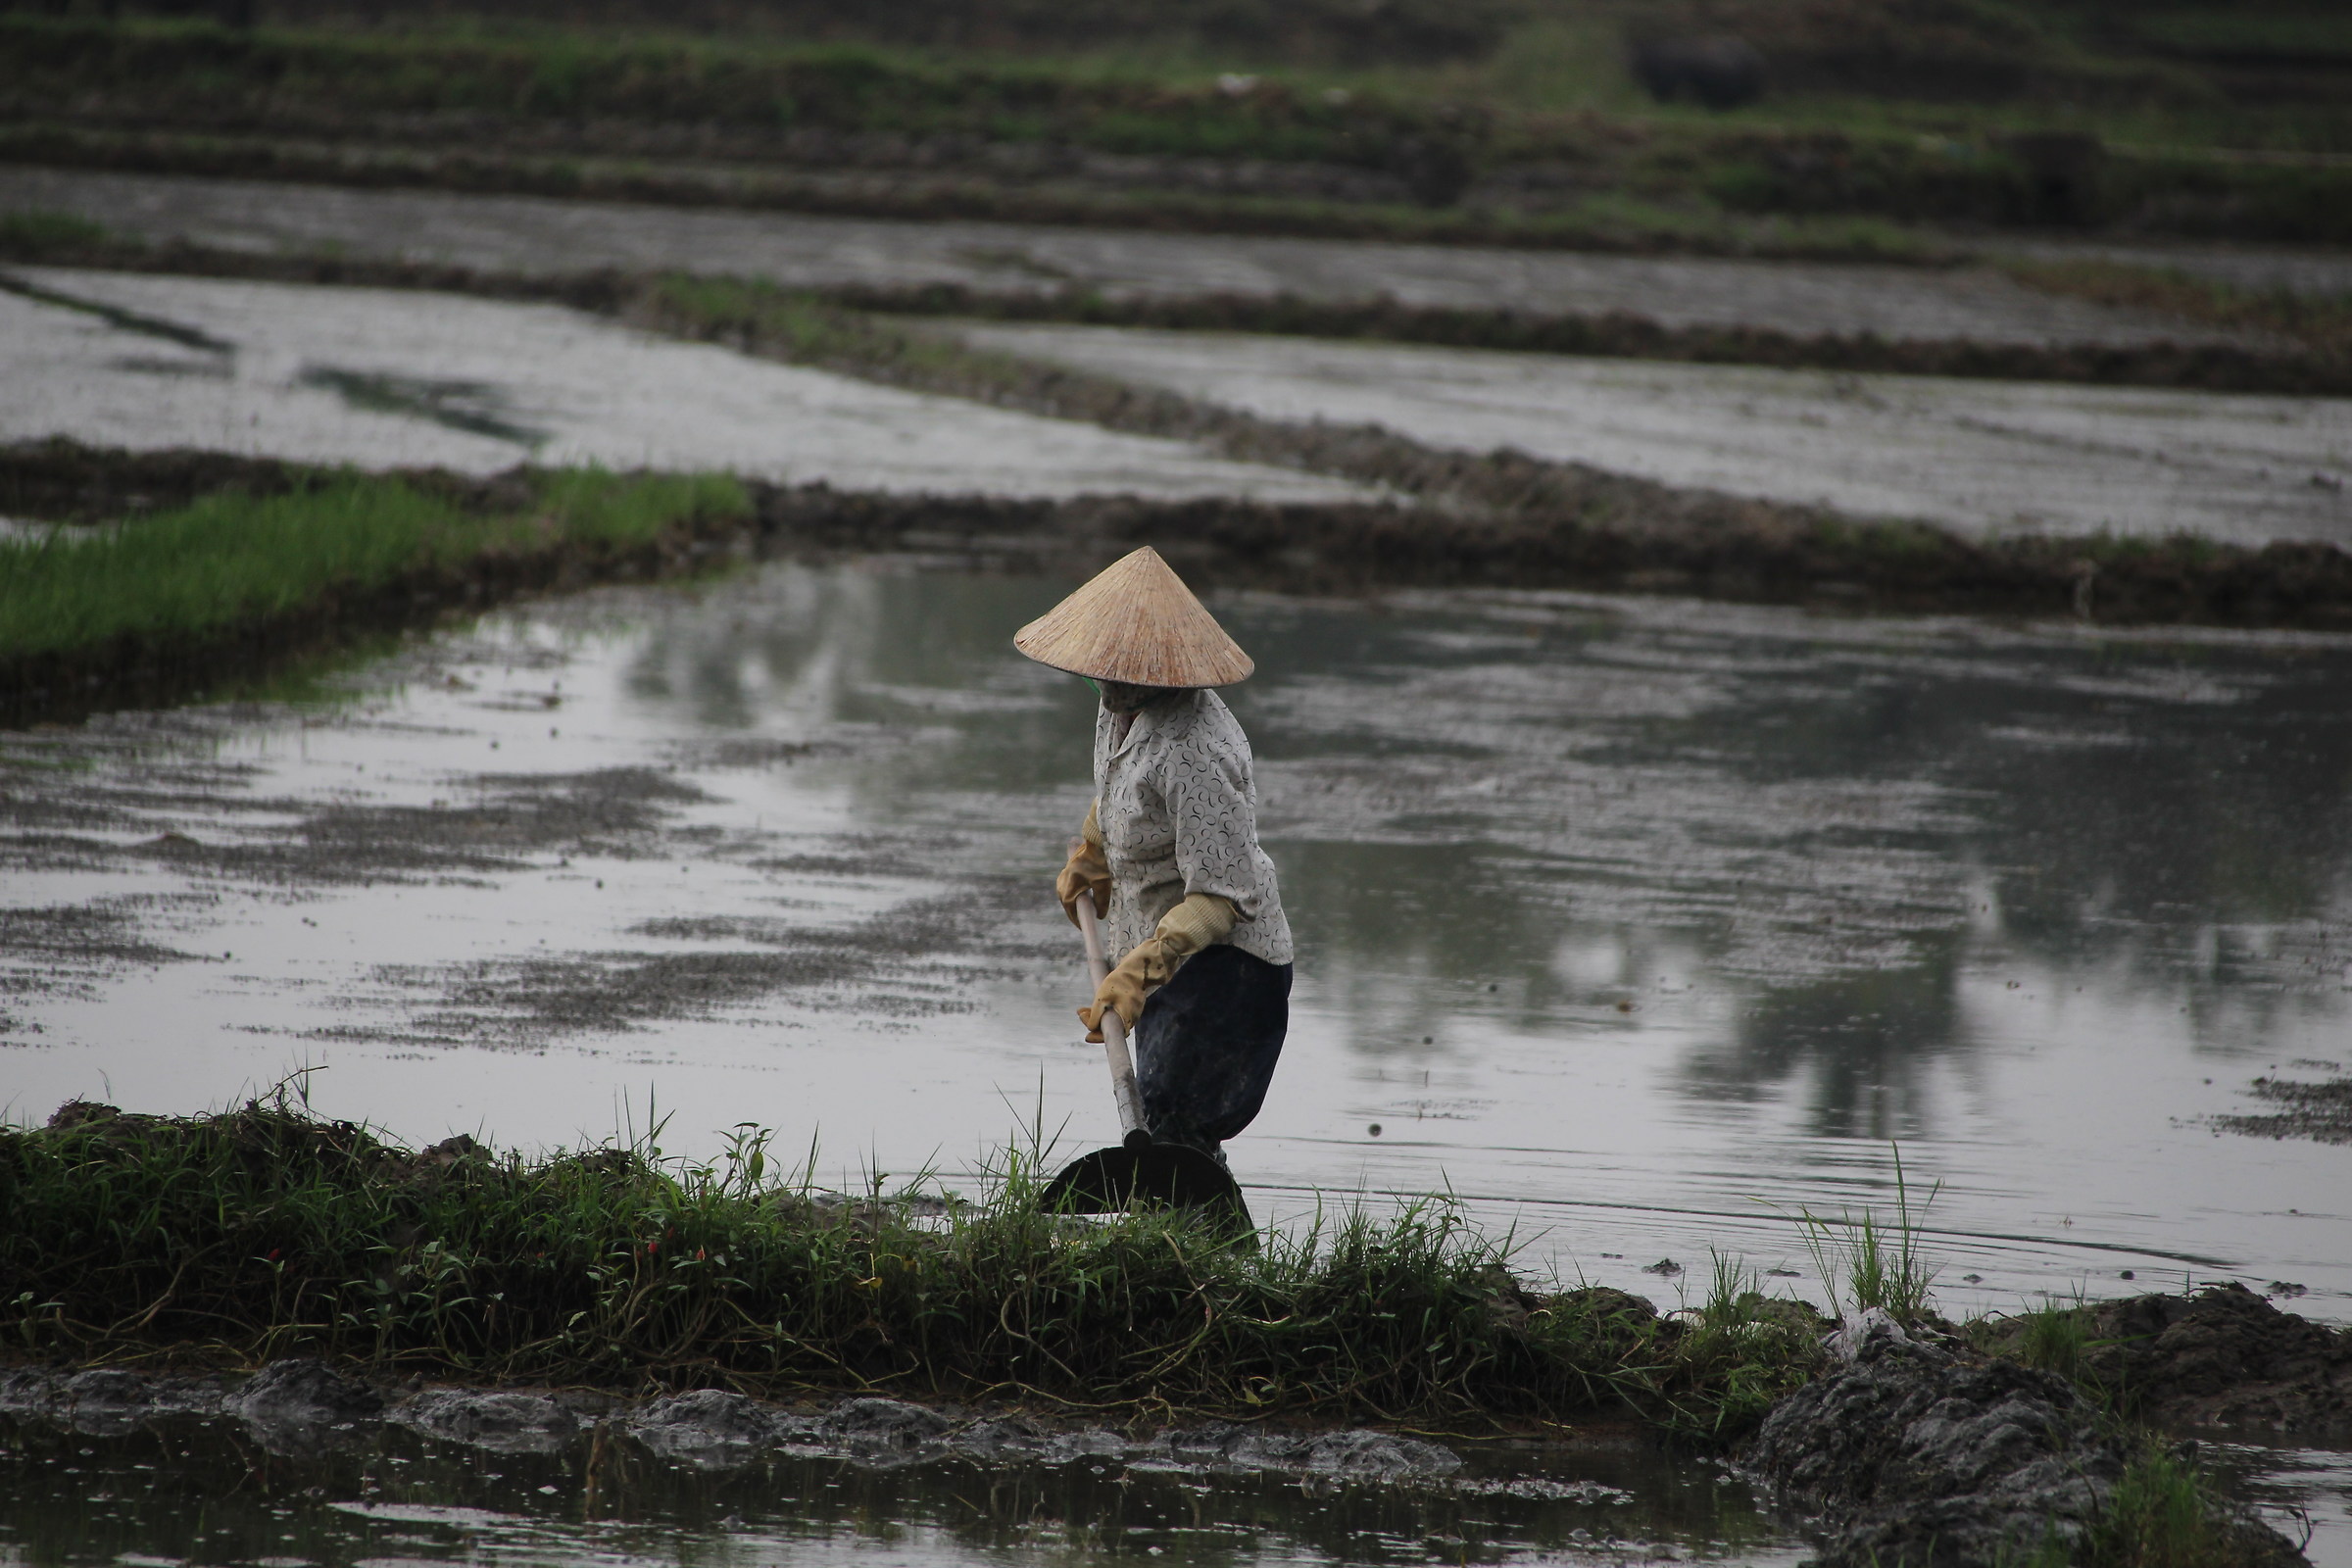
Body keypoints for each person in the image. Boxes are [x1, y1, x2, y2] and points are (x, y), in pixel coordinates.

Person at [1013, 547, 1294, 1156]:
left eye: (1129, 675)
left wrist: (1138, 972)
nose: (1112, 686)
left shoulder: (1196, 750)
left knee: (1178, 1130)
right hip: (1162, 954)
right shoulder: (1119, 706)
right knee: (1168, 1129)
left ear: (1168, 673)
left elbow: (1222, 899)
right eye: (1105, 671)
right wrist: (1092, 848)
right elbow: (1121, 790)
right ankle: (1188, 1243)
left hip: (1225, 970)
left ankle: (1187, 1246)